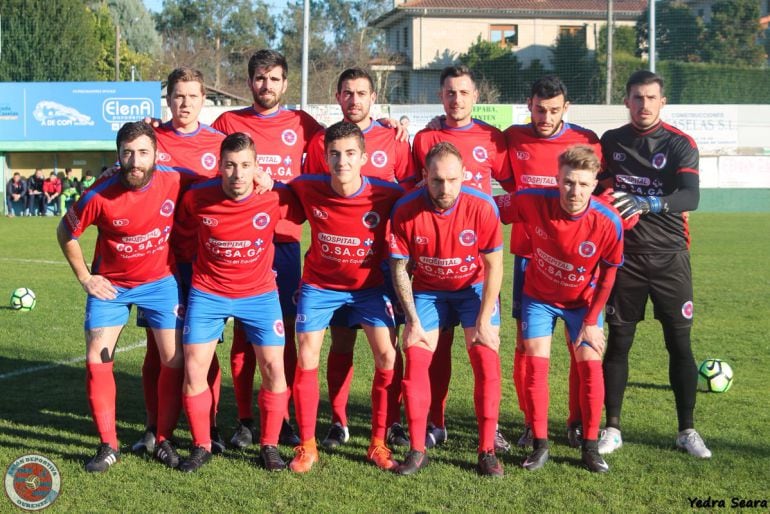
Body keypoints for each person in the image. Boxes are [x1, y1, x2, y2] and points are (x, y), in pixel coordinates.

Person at [57, 121, 186, 472]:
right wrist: (86, 277)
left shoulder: (174, 180)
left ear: (156, 154)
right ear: (118, 155)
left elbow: (217, 184)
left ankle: (162, 439)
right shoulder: (99, 196)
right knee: (97, 357)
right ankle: (108, 445)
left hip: (160, 283)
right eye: (128, 152)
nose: (135, 160)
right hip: (110, 285)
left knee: (173, 360)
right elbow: (65, 232)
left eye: (143, 152)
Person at [212, 49, 324, 449]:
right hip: (240, 241)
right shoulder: (228, 122)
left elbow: (351, 139)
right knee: (243, 335)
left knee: (284, 334)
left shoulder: (304, 124)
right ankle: (244, 420)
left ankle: (286, 415)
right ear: (249, 82)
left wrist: (392, 125)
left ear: (285, 84)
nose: (266, 85)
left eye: (274, 78)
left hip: (285, 242)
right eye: (260, 78)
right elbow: (201, 158)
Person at [174, 132, 303, 472]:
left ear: (256, 167)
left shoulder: (273, 197)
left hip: (260, 294)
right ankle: (202, 444)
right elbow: (182, 226)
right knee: (194, 366)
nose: (237, 174)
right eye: (230, 165)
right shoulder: (198, 197)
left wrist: (276, 182)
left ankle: (270, 445)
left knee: (275, 367)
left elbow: (305, 208)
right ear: (219, 166)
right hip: (208, 292)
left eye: (245, 165)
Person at [598, 70, 710, 458]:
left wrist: (651, 203)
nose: (643, 105)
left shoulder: (680, 143)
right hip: (624, 259)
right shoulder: (611, 142)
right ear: (626, 101)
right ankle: (612, 428)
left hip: (670, 258)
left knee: (679, 343)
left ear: (662, 102)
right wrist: (605, 192)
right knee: (619, 342)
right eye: (636, 98)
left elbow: (691, 196)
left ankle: (687, 430)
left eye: (650, 98)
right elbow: (596, 186)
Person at [302, 67, 416, 450]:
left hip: (380, 270)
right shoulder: (323, 140)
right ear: (338, 96)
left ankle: (392, 422)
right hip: (331, 270)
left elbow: (412, 195)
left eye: (361, 93)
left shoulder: (394, 137)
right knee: (341, 343)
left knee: (389, 347)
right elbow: (310, 193)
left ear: (373, 96)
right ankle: (338, 420)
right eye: (347, 92)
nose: (354, 99)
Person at [495, 145, 623, 472]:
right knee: (536, 365)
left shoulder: (608, 222)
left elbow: (609, 275)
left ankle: (590, 447)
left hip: (582, 304)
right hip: (538, 298)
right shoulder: (532, 199)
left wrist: (593, 321)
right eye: (567, 182)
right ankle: (539, 444)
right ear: (557, 178)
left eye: (582, 184)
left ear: (595, 183)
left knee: (591, 366)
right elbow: (489, 208)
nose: (574, 191)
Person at [285, 121, 403, 473]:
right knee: (307, 354)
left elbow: (418, 201)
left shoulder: (387, 194)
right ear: (324, 157)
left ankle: (378, 443)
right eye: (335, 154)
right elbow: (274, 192)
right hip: (320, 287)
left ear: (364, 157)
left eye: (350, 153)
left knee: (387, 354)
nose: (342, 161)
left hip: (369, 289)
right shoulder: (306, 186)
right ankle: (307, 446)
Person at [412, 65, 514, 452]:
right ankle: (435, 423)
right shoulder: (425, 139)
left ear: (476, 97)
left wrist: (491, 207)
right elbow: (412, 186)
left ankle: (492, 430)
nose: (457, 99)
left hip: (477, 267)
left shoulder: (492, 138)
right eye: (450, 92)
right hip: (434, 264)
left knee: (485, 348)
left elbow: (514, 189)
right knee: (434, 351)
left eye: (464, 92)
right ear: (442, 96)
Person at [390, 141, 505, 476]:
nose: (445, 188)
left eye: (453, 180)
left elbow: (495, 266)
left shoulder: (483, 206)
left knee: (486, 358)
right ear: (425, 176)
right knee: (417, 358)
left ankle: (486, 451)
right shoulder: (406, 208)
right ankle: (416, 448)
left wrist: (484, 320)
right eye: (437, 180)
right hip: (428, 292)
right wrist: (411, 320)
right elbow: (400, 268)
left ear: (464, 176)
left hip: (473, 290)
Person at [131, 67, 228, 458]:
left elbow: (241, 182)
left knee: (206, 348)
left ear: (204, 99)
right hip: (160, 262)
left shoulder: (219, 143)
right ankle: (156, 428)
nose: (184, 102)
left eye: (192, 95)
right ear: (167, 99)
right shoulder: (151, 140)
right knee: (157, 351)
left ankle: (211, 426)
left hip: (205, 262)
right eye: (178, 95)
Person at [504, 75, 604, 449]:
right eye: (539, 109)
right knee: (527, 346)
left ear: (567, 108)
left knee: (579, 341)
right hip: (529, 257)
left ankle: (576, 421)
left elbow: (602, 190)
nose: (545, 117)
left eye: (554, 110)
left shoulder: (587, 141)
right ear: (528, 104)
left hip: (577, 260)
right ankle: (533, 423)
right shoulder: (512, 138)